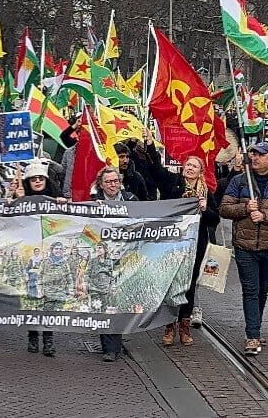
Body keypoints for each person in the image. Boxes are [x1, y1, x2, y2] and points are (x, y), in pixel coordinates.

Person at [142, 129, 219, 345]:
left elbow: (215, 219)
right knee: (171, 283)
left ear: (200, 172)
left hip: (195, 245)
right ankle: (169, 326)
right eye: (188, 165)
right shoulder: (173, 182)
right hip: (173, 243)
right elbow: (156, 171)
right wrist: (150, 145)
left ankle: (184, 326)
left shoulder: (206, 192)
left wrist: (205, 209)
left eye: (194, 166)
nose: (190, 168)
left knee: (189, 285)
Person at [218, 142, 268, 356]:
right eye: (253, 154)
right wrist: (245, 208)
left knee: (262, 291)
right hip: (245, 246)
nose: (255, 158)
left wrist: (265, 215)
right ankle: (252, 335)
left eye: (260, 154)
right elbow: (224, 208)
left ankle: (255, 327)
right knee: (251, 290)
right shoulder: (240, 181)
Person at [10, 160, 68, 356]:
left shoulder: (56, 199)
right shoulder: (21, 197)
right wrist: (15, 200)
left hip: (49, 260)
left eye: (40, 178)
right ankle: (33, 336)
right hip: (31, 259)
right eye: (33, 179)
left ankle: (48, 339)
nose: (37, 181)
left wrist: (62, 204)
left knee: (49, 300)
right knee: (33, 299)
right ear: (28, 181)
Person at [90, 166, 137, 361]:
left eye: (115, 181)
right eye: (108, 182)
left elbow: (144, 221)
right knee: (107, 301)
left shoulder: (131, 200)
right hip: (104, 261)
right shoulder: (93, 203)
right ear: (101, 185)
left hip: (126, 259)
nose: (112, 185)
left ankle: (116, 340)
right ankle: (110, 347)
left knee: (120, 301)